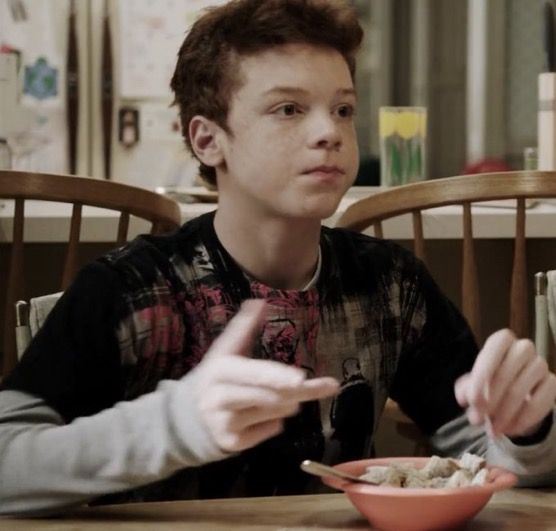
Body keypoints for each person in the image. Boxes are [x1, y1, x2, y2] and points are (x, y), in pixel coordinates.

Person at [1, 0, 556, 516]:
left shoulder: (392, 285)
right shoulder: (130, 290)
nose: (329, 133)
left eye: (343, 109)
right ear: (207, 140)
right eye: (289, 109)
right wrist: (173, 424)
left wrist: (529, 433)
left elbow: (484, 464)